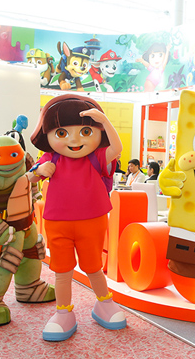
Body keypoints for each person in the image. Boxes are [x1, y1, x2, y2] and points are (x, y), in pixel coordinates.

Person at [29, 94, 126, 341]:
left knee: (93, 266)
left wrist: (105, 121)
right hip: (58, 222)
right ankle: (63, 312)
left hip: (92, 221)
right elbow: (30, 177)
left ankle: (104, 302)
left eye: (85, 131)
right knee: (62, 270)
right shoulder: (51, 157)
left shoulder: (96, 157)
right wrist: (39, 170)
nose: (74, 140)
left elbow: (117, 149)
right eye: (62, 133)